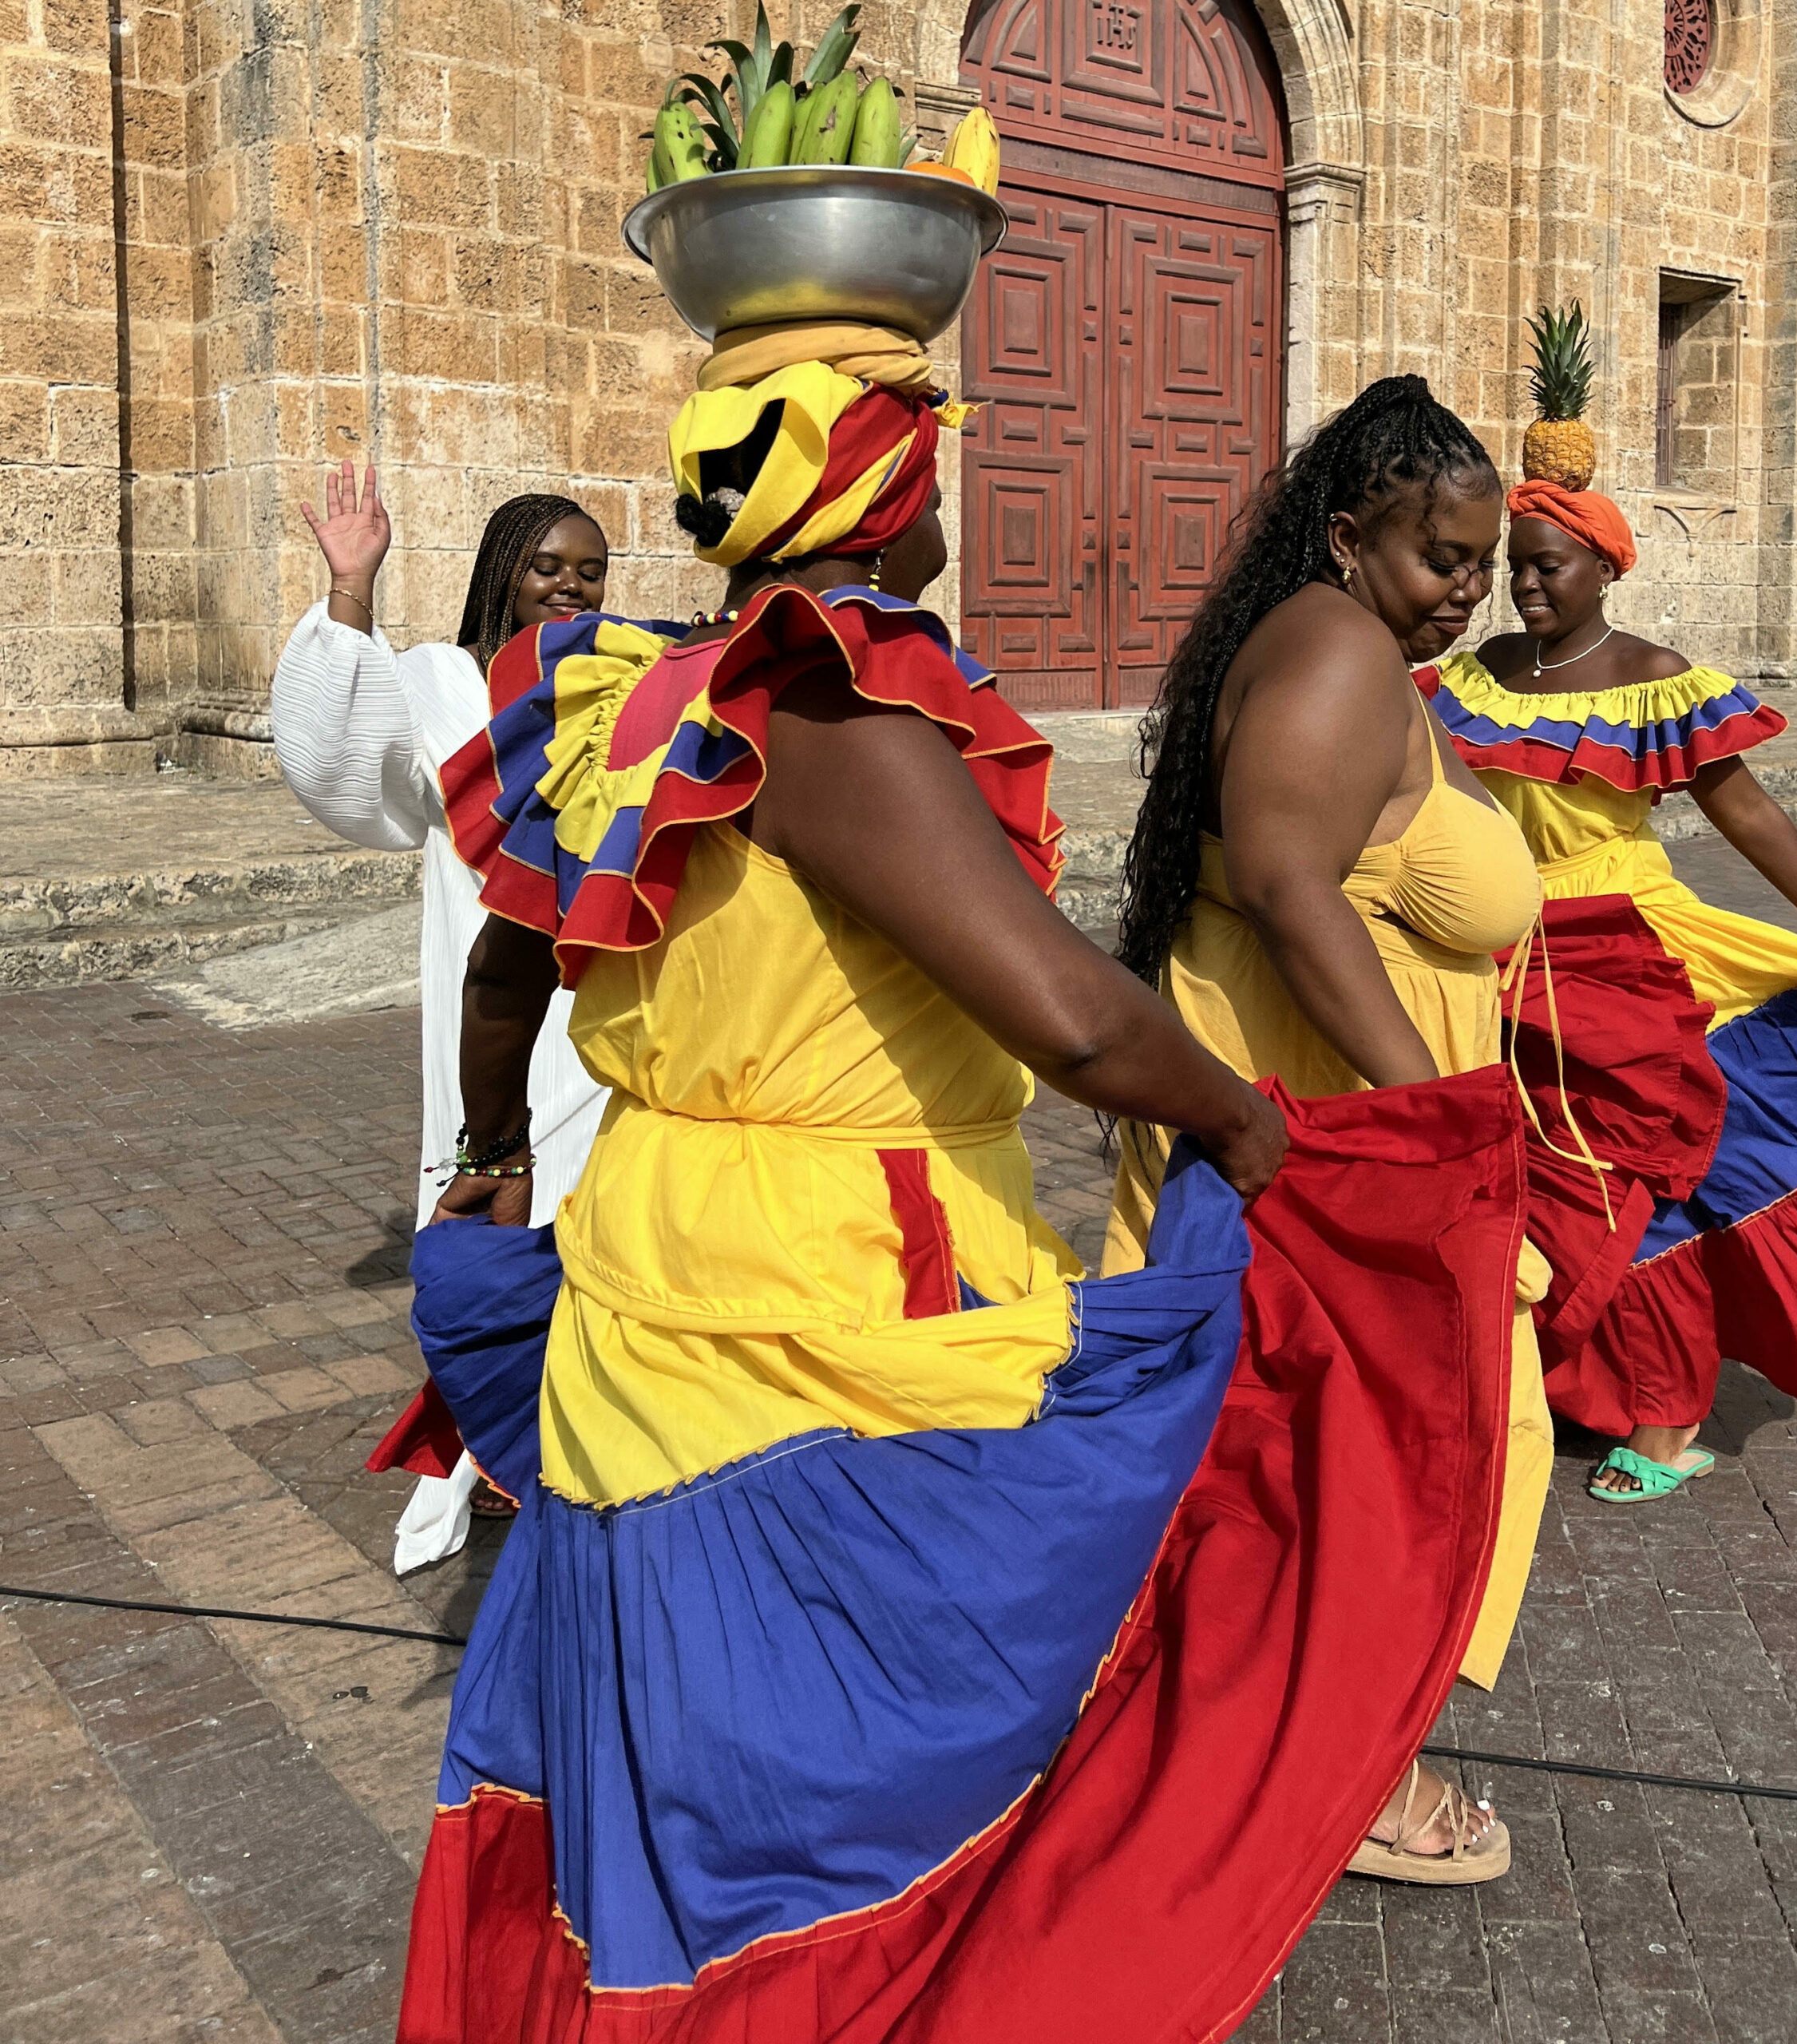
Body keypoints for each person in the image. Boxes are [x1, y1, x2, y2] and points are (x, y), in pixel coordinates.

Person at [395, 336, 1539, 2042]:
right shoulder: (831, 707)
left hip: (656, 1258)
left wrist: (489, 1151)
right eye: (928, 450)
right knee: (870, 1743)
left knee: (685, 1713)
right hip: (830, 1292)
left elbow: (507, 957)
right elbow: (1072, 1019)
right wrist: (1246, 1124)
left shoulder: (639, 689)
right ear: (883, 491)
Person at [1109, 373, 1557, 1879]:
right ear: (1352, 535)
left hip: (1318, 1137)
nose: (1465, 595)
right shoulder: (1340, 652)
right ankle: (1365, 1776)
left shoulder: (1335, 642)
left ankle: (1289, 1744)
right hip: (1336, 1153)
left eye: (1484, 570)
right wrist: (1432, 1129)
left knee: (1311, 1459)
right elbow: (1299, 892)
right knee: (1410, 1458)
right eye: (1443, 561)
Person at [1422, 477, 1797, 1501]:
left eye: (1550, 564)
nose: (1527, 584)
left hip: (1631, 948)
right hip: (1498, 952)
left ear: (1605, 567)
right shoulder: (1479, 671)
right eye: (1517, 563)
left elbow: (1746, 814)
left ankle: (1668, 1420)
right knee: (1550, 1179)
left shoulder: (1653, 677)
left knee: (1663, 1166)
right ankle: (1568, 1373)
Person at [272, 471, 613, 1558]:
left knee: (600, 1218)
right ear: (503, 571)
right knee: (504, 1211)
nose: (568, 585)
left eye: (590, 570)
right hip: (492, 1002)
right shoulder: (436, 681)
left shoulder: (614, 685)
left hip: (599, 999)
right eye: (547, 565)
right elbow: (349, 762)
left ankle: (592, 1424)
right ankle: (507, 1441)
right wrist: (353, 586)